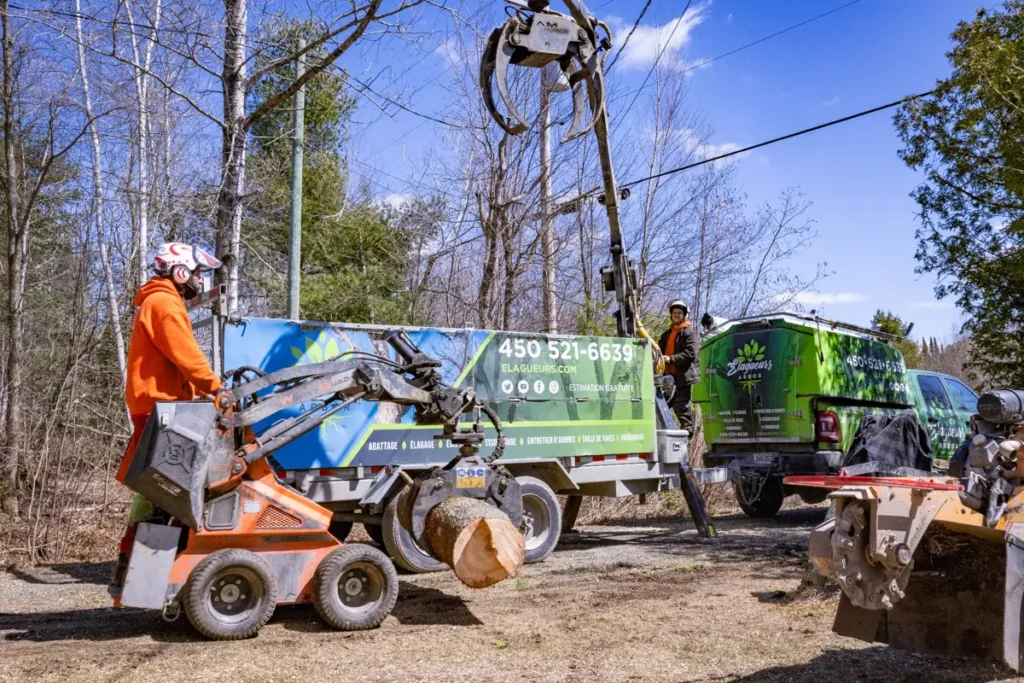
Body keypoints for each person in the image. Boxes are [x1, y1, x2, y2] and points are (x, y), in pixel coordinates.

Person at [109, 242, 228, 599]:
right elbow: (186, 355)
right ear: (179, 272)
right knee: (163, 495)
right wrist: (216, 388)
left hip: (161, 407)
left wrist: (201, 390)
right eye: (196, 273)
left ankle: (137, 582)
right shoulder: (164, 303)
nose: (198, 281)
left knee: (159, 494)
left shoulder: (157, 301)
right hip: (161, 409)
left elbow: (176, 362)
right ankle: (139, 584)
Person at [658, 300, 701, 432]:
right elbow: (657, 351)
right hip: (667, 379)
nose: (677, 315)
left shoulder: (688, 333)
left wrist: (670, 359)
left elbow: (690, 354)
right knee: (661, 407)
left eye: (679, 313)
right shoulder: (666, 334)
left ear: (684, 315)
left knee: (682, 407)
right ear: (671, 315)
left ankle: (686, 438)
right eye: (674, 312)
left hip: (682, 378)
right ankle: (661, 437)